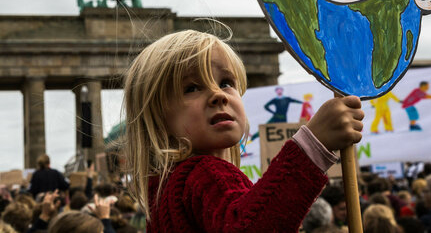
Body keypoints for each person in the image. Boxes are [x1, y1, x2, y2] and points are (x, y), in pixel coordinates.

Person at [122, 30, 364, 232]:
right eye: (192, 87)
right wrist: (312, 146)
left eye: (226, 82)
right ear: (157, 119)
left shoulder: (164, 191)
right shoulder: (205, 174)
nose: (218, 95)